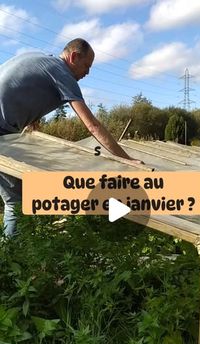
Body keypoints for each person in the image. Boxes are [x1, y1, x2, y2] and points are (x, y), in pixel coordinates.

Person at [0, 38, 143, 237]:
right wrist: (127, 161)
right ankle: (11, 259)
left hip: (7, 132)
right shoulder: (63, 74)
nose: (87, 73)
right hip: (2, 134)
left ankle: (23, 245)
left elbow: (19, 86)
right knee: (16, 200)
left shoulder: (40, 59)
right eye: (86, 66)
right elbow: (92, 126)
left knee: (25, 189)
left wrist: (32, 120)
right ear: (74, 57)